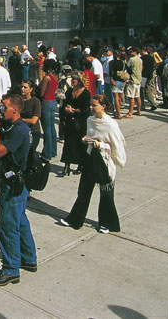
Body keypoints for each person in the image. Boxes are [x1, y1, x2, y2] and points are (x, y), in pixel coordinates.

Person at [0, 94, 37, 287]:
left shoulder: (18, 131)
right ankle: (29, 258)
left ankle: (11, 269)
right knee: (20, 221)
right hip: (17, 184)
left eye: (4, 107)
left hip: (13, 183)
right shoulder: (13, 125)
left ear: (15, 110)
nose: (1, 110)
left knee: (7, 226)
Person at [61, 94, 126, 233]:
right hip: (91, 158)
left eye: (94, 105)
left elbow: (117, 146)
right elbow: (88, 134)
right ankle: (75, 219)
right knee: (84, 190)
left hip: (105, 160)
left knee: (106, 193)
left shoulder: (111, 124)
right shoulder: (90, 120)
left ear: (103, 106)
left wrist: (101, 144)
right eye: (90, 105)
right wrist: (86, 140)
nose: (91, 107)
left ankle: (107, 223)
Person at [60, 72, 91, 176]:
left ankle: (81, 165)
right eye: (72, 78)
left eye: (75, 79)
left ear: (80, 80)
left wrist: (76, 110)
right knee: (68, 144)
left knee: (80, 144)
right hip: (70, 121)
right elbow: (63, 104)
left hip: (81, 121)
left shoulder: (86, 93)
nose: (73, 80)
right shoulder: (69, 91)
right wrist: (66, 108)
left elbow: (86, 108)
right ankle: (66, 166)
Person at [38, 59, 59, 160]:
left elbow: (42, 93)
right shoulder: (55, 76)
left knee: (46, 129)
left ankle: (47, 153)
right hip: (53, 101)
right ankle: (53, 150)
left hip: (46, 102)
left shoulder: (47, 78)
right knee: (52, 128)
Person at [19, 80, 42, 151]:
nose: (22, 89)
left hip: (33, 132)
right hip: (20, 131)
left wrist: (20, 120)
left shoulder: (35, 101)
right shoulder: (18, 100)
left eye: (25, 87)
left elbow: (33, 120)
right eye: (21, 87)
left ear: (31, 89)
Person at [124, 47, 143, 118]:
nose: (130, 53)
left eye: (131, 51)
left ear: (135, 52)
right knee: (138, 96)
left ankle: (130, 113)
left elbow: (126, 67)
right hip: (138, 80)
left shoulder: (131, 59)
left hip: (132, 80)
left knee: (131, 98)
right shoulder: (140, 59)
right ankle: (139, 111)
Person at [108, 52, 127, 119]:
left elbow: (110, 72)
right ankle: (118, 112)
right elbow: (127, 71)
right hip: (122, 80)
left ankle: (118, 113)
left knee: (115, 97)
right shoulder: (123, 62)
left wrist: (111, 78)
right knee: (119, 97)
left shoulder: (111, 62)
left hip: (114, 80)